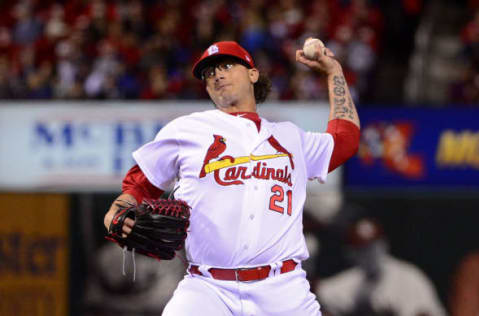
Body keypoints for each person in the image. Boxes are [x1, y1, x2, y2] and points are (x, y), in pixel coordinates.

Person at [103, 40, 361, 315]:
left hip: (283, 290)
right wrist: (117, 210)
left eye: (226, 65)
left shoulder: (290, 137)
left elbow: (345, 140)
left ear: (253, 74)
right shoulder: (187, 129)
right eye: (209, 72)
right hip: (207, 289)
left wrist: (334, 72)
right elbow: (140, 184)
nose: (217, 74)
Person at [316, 218, 446, 316]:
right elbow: (321, 293)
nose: (370, 254)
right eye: (363, 250)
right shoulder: (354, 280)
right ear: (351, 254)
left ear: (384, 245)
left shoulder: (408, 277)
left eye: (373, 247)